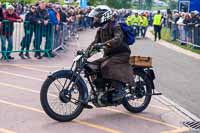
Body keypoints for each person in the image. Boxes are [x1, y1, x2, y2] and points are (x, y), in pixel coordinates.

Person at [88, 5, 134, 102]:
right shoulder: (100, 30)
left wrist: (103, 45)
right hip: (109, 55)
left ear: (103, 16)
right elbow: (95, 43)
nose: (95, 19)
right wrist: (85, 53)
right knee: (91, 66)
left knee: (106, 65)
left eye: (96, 17)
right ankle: (100, 90)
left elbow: (117, 39)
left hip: (122, 54)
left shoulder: (115, 26)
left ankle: (119, 90)